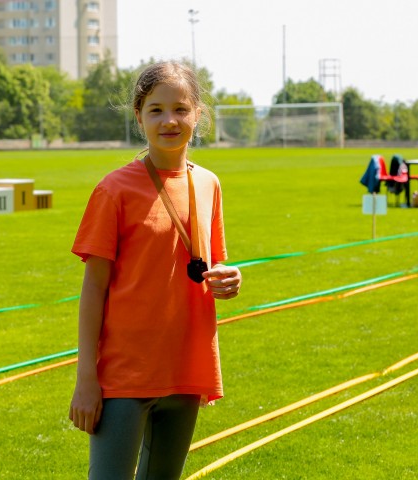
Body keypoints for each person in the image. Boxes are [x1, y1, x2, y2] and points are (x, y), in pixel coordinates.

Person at [69, 61, 242, 479]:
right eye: (156, 110)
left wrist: (228, 278)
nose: (169, 120)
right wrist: (86, 380)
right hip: (124, 377)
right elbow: (93, 290)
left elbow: (212, 262)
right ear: (138, 117)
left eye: (181, 109)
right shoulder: (114, 189)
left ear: (198, 114)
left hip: (185, 369)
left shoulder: (208, 184)